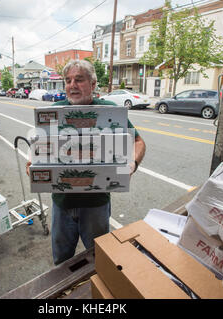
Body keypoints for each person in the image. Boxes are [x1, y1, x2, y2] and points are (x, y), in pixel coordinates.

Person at [27, 59, 146, 265]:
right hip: (62, 203)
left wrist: (132, 164)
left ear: (92, 84)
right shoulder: (55, 111)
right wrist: (33, 162)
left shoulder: (109, 110)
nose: (72, 85)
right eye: (68, 80)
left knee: (99, 259)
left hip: (96, 204)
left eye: (79, 80)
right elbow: (40, 144)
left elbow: (138, 141)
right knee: (62, 261)